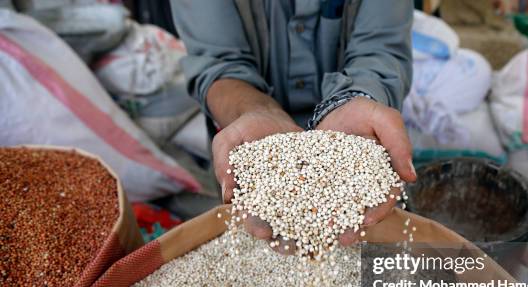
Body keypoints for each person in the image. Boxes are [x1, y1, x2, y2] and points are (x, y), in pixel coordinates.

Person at [171, 0, 416, 246]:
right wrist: (257, 111)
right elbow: (218, 64)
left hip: (354, 132)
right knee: (257, 248)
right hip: (249, 140)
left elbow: (381, 49)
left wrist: (359, 99)